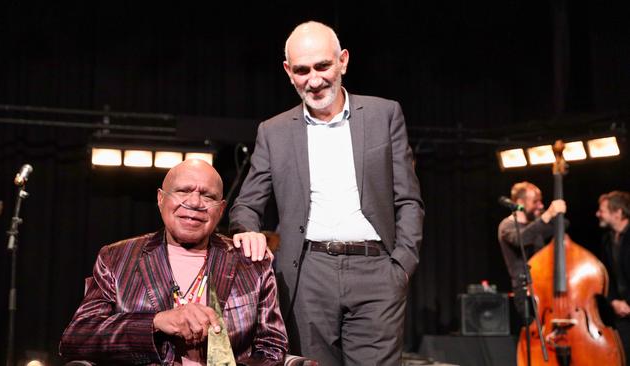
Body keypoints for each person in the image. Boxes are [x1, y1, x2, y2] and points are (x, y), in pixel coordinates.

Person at [228, 21, 424, 365]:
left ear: (343, 61)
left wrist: (402, 265)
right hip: (306, 274)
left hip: (377, 271)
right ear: (289, 72)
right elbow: (245, 204)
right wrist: (246, 230)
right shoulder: (273, 131)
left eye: (323, 66)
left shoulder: (384, 114)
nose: (314, 80)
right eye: (302, 70)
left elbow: (408, 199)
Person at [59, 159, 288, 365]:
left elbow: (273, 350)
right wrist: (156, 322)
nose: (195, 202)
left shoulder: (251, 263)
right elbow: (77, 337)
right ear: (161, 199)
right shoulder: (117, 258)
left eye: (208, 195)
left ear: (221, 209)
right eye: (183, 191)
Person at [497, 181, 566, 324]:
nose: (540, 206)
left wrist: (555, 215)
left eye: (541, 202)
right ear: (521, 202)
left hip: (546, 287)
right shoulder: (507, 226)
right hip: (526, 293)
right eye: (535, 202)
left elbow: (564, 224)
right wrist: (546, 215)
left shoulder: (535, 224)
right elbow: (521, 239)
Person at [596, 190, 630, 363]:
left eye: (602, 210)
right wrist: (614, 301)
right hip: (620, 312)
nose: (597, 214)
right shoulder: (607, 239)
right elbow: (606, 275)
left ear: (618, 213)